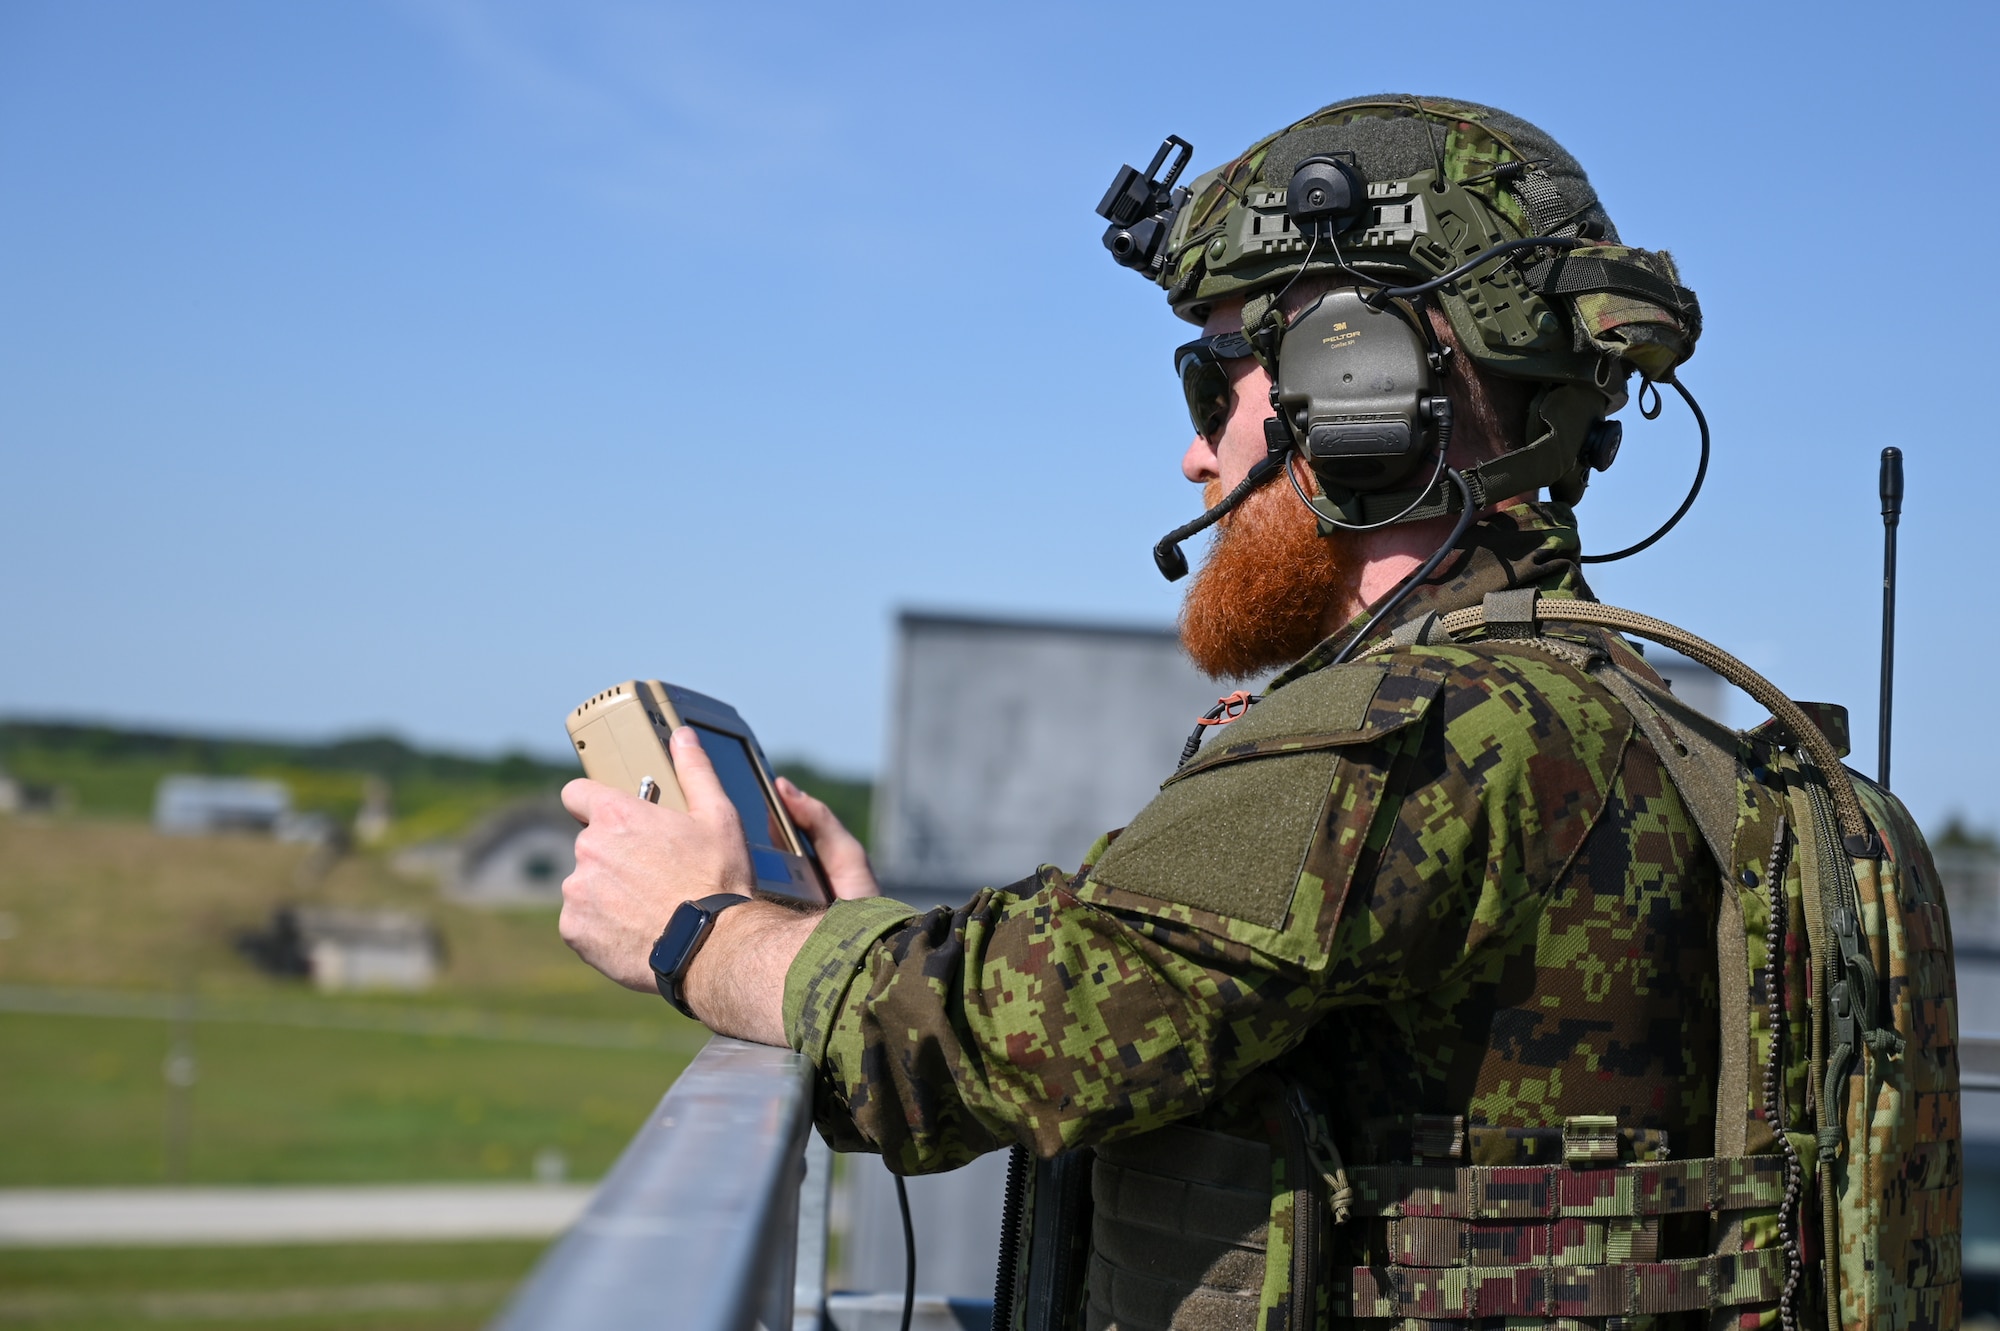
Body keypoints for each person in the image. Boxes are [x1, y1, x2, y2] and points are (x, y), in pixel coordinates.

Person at [556, 97, 1905, 1331]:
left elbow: (1014, 1039)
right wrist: (846, 934)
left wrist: (703, 933)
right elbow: (1159, 963)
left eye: (1215, 383)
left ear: (1357, 385)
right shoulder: (1647, 730)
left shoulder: (1412, 737)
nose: (1194, 450)